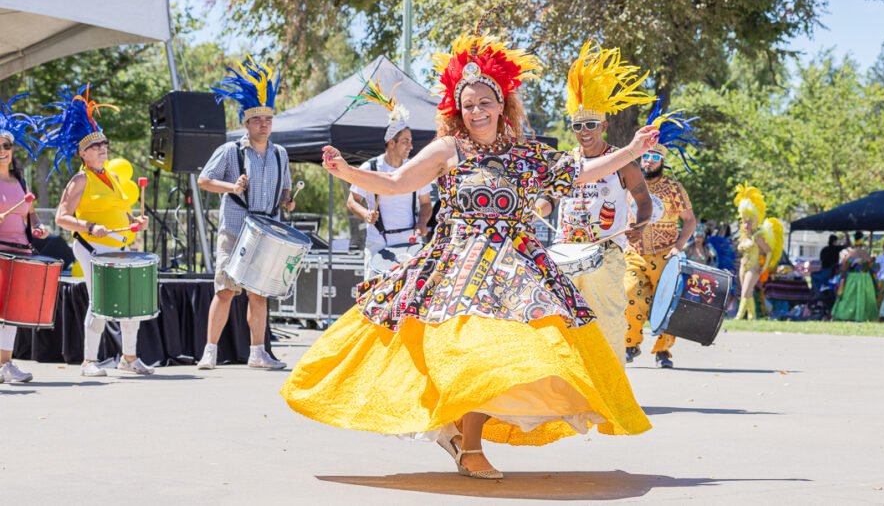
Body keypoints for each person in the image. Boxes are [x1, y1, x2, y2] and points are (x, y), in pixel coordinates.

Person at [281, 35, 654, 479]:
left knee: (511, 352)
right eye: (468, 105)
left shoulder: (527, 153)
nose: (476, 111)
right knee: (468, 351)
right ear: (458, 111)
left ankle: (462, 438)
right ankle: (468, 444)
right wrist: (347, 172)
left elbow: (577, 174)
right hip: (457, 263)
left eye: (484, 103)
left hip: (517, 265)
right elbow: (399, 181)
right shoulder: (448, 150)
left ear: (502, 105)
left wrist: (631, 152)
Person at [534, 41, 656, 365]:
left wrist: (638, 226)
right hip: (565, 253)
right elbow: (548, 197)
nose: (583, 132)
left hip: (606, 253)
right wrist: (539, 207)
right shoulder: (565, 162)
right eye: (577, 125)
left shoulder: (622, 162)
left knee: (606, 323)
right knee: (562, 324)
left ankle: (612, 396)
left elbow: (643, 200)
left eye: (590, 125)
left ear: (603, 125)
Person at [197, 57, 294, 370]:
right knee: (225, 289)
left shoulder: (281, 153)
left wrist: (288, 201)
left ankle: (258, 352)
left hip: (268, 230)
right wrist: (232, 186)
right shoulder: (231, 150)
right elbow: (204, 181)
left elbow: (285, 190)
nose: (264, 124)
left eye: (268, 119)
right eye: (257, 120)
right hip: (236, 228)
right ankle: (209, 351)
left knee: (259, 294)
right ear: (246, 123)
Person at [49, 86, 153, 376]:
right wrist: (90, 226)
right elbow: (61, 217)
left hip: (118, 246)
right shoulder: (80, 180)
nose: (102, 148)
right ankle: (89, 362)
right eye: (95, 146)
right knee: (100, 302)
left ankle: (129, 358)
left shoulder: (112, 175)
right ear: (83, 153)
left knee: (131, 301)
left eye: (104, 143)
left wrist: (135, 222)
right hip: (91, 246)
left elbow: (122, 209)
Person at [623, 98, 699, 368]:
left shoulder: (674, 188)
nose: (650, 160)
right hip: (635, 254)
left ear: (662, 160)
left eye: (655, 156)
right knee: (631, 294)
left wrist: (679, 246)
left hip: (666, 255)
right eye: (646, 155)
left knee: (668, 303)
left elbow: (689, 220)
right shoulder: (629, 184)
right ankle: (631, 344)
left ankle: (663, 351)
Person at [346, 79, 432, 279]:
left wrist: (422, 222)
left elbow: (426, 204)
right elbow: (352, 201)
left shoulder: (414, 169)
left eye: (411, 141)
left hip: (409, 244)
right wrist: (366, 214)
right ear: (391, 143)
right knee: (374, 299)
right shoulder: (371, 168)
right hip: (379, 243)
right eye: (405, 141)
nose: (410, 146)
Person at [0, 95, 50, 383]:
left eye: (6, 146)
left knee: (11, 312)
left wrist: (39, 225)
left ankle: (6, 365)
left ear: (12, 150)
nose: (2, 151)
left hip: (21, 250)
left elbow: (31, 215)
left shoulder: (20, 182)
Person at [733, 184, 783, 320]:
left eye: (749, 222)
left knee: (745, 291)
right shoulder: (744, 237)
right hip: (743, 266)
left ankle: (739, 316)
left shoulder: (757, 236)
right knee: (747, 293)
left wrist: (765, 268)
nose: (746, 225)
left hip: (754, 267)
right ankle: (752, 316)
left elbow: (769, 251)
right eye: (744, 221)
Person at [831, 235, 879, 322]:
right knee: (865, 297)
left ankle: (847, 315)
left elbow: (844, 268)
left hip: (853, 278)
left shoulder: (850, 254)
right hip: (865, 278)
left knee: (849, 297)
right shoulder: (866, 254)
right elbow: (873, 267)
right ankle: (865, 315)